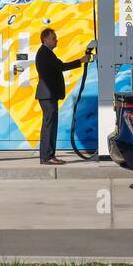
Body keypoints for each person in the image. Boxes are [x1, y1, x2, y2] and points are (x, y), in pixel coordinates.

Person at [34, 27, 91, 164]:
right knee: (50, 126)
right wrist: (81, 61)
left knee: (49, 125)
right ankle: (48, 156)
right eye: (53, 38)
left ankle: (46, 156)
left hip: (48, 95)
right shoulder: (44, 53)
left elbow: (58, 67)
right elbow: (61, 67)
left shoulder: (46, 53)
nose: (56, 40)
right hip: (47, 95)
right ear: (45, 39)